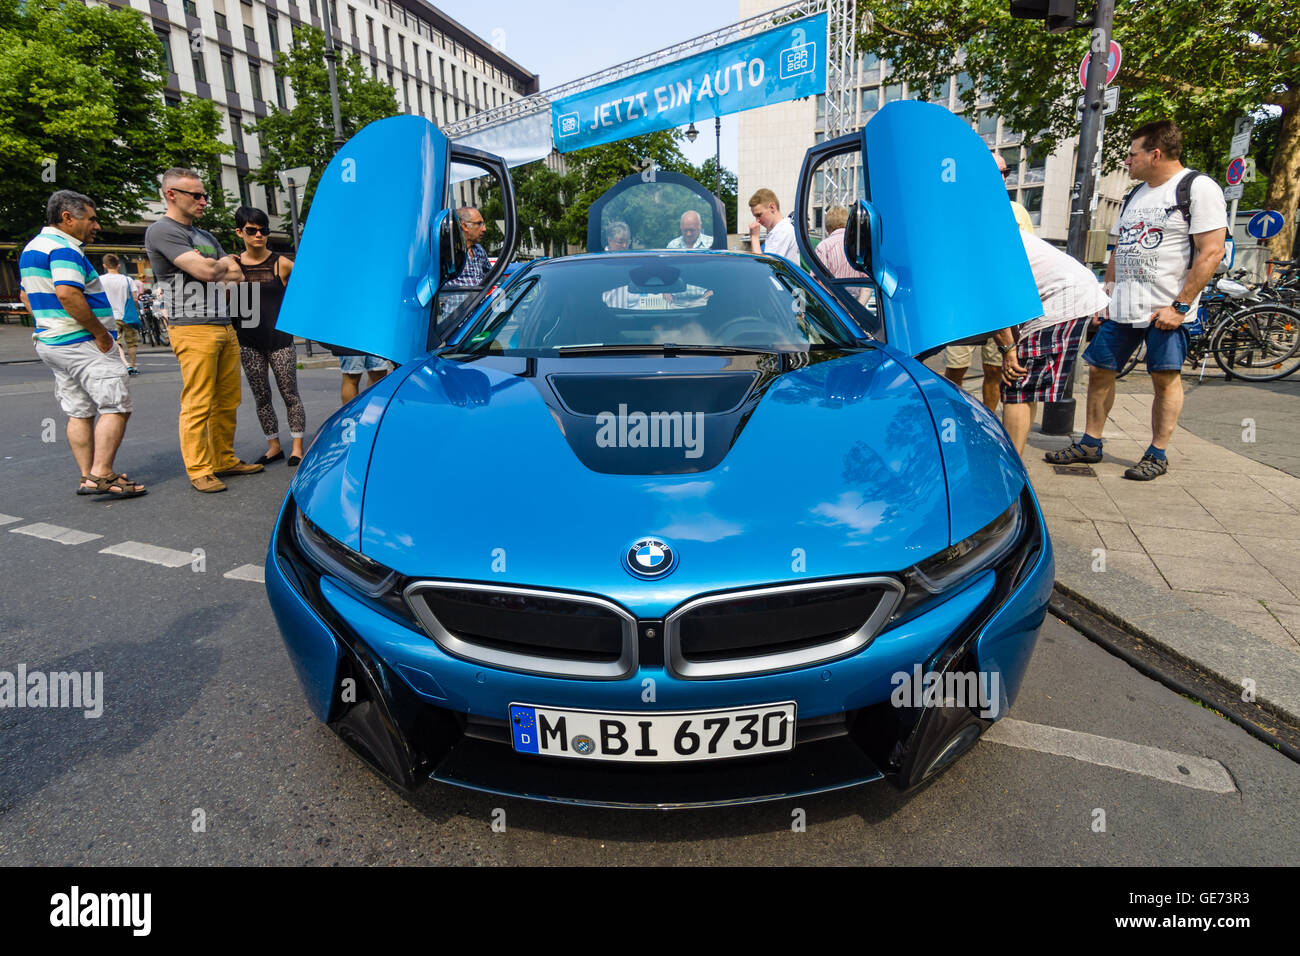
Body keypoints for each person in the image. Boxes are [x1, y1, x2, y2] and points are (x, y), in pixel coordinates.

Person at [1046, 120, 1227, 480]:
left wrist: (1179, 307)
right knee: (1099, 371)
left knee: (1164, 378)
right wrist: (1106, 297)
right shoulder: (1135, 194)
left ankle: (1157, 453)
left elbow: (1211, 252)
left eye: (1132, 154)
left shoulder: (1197, 188)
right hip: (1122, 309)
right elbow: (1119, 250)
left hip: (1165, 311)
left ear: (1155, 154)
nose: (1127, 161)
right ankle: (1090, 443)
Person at [19, 190, 145, 498]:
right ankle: (102, 473)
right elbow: (67, 294)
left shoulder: (32, 248)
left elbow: (26, 295)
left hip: (51, 341)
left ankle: (88, 475)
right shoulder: (65, 249)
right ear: (67, 218)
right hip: (82, 342)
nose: (96, 226)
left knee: (79, 410)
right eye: (91, 219)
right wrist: (100, 334)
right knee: (116, 405)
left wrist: (47, 324)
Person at [145, 167, 263, 493]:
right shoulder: (162, 231)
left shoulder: (205, 237)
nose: (203, 201)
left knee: (228, 400)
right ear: (172, 194)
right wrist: (218, 267)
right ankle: (200, 469)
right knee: (198, 402)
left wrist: (216, 266)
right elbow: (210, 272)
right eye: (196, 195)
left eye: (204, 195)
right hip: (192, 327)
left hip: (223, 324)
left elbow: (237, 276)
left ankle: (223, 459)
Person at [995, 232, 1110, 454]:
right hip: (1065, 292)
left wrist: (1009, 351)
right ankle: (1015, 467)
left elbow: (994, 308)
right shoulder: (989, 234)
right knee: (1025, 386)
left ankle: (1011, 473)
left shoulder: (974, 248)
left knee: (1018, 386)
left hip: (1060, 298)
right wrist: (1013, 348)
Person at [944, 150, 1033, 412]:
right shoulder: (959, 211)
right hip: (966, 305)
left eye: (1006, 173)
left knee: (994, 370)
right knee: (956, 368)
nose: (1003, 178)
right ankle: (955, 417)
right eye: (998, 173)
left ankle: (988, 418)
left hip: (1004, 306)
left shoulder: (1017, 212)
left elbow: (1027, 260)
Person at [221, 206, 306, 466]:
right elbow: (226, 301)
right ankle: (273, 446)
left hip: (279, 339)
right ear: (239, 232)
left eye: (264, 230)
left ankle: (297, 448)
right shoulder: (232, 266)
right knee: (261, 396)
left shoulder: (282, 264)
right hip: (248, 341)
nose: (259, 235)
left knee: (289, 393)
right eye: (252, 230)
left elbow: (304, 293)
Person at [99, 254, 142, 375]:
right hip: (128, 315)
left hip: (111, 316)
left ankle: (125, 364)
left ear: (104, 266)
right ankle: (133, 365)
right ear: (119, 265)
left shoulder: (100, 280)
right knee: (132, 342)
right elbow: (134, 298)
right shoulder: (128, 280)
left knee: (116, 342)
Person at [747, 188, 798, 262]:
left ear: (772, 207)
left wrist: (754, 237)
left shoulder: (782, 231)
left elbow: (765, 267)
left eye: (759, 215)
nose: (757, 220)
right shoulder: (778, 230)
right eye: (755, 216)